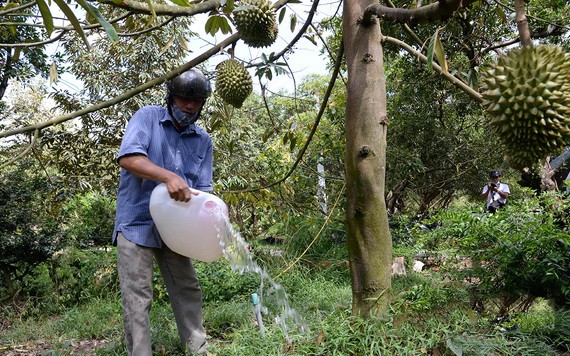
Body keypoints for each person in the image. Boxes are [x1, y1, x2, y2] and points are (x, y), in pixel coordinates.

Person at [112, 68, 213, 355]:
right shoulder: (147, 118)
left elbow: (203, 192)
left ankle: (198, 349)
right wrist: (168, 176)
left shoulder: (203, 141)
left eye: (196, 102)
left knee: (187, 288)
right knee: (138, 297)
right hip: (137, 222)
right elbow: (129, 158)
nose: (190, 106)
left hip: (176, 230)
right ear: (171, 97)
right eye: (184, 99)